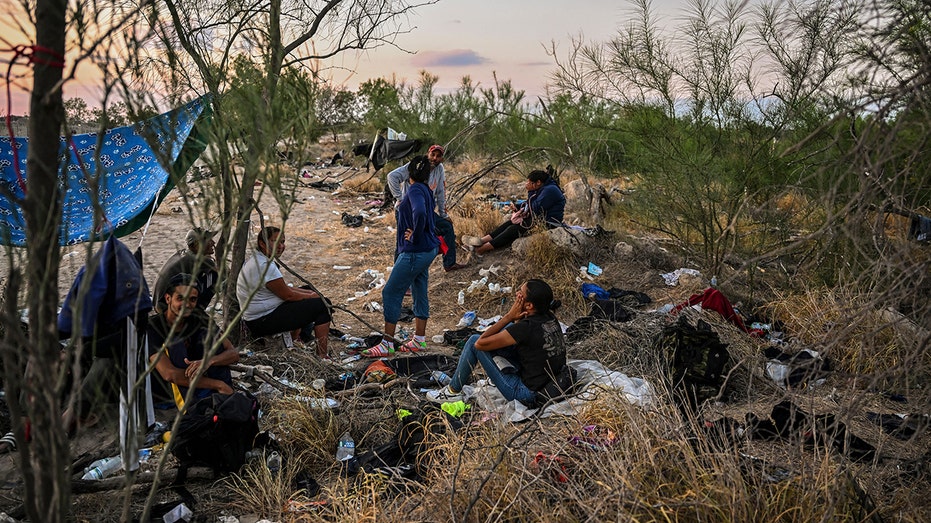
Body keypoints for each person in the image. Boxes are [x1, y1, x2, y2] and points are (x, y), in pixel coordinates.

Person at [426, 279, 568, 407]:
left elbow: (479, 344)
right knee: (503, 331)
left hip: (526, 394)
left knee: (472, 341)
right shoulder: (549, 316)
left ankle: (452, 392)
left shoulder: (526, 328)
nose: (517, 293)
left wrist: (508, 317)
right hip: (548, 383)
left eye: (521, 293)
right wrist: (514, 320)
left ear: (529, 305)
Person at [363, 155, 439, 357]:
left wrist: (414, 233)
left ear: (409, 172)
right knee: (419, 289)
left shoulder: (413, 189)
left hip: (415, 251)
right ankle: (419, 340)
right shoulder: (425, 189)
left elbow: (421, 212)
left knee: (390, 292)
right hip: (428, 249)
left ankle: (387, 343)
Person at [236, 226, 332, 359]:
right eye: (275, 242)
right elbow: (288, 295)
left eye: (282, 242)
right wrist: (313, 297)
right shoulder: (265, 266)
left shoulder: (258, 259)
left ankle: (295, 340)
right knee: (323, 305)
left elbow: (284, 288)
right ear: (262, 243)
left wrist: (311, 294)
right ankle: (322, 355)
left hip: (259, 315)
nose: (281, 246)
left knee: (308, 290)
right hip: (261, 321)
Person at [148, 273, 240, 409]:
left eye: (192, 299)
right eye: (180, 298)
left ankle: (224, 396)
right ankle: (213, 394)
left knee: (209, 337)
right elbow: (169, 374)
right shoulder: (153, 327)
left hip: (196, 383)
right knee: (175, 342)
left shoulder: (199, 318)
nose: (187, 304)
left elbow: (233, 353)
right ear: (168, 298)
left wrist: (209, 361)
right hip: (166, 394)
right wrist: (217, 384)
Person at [386, 144, 468, 272]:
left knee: (446, 227)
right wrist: (400, 199)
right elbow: (392, 177)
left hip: (425, 210)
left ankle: (449, 263)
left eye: (438, 156)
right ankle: (400, 277)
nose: (434, 158)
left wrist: (443, 214)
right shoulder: (417, 167)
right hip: (409, 210)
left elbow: (441, 191)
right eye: (432, 154)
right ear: (427, 154)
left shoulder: (439, 169)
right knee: (404, 243)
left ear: (442, 158)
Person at [462, 167, 566, 256]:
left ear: (538, 182)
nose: (527, 184)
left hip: (549, 222)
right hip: (540, 218)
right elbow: (531, 204)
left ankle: (481, 249)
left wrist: (530, 191)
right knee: (509, 223)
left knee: (514, 229)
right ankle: (481, 241)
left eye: (529, 182)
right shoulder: (544, 188)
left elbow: (535, 208)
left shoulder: (549, 190)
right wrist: (517, 206)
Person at [152, 227, 219, 313]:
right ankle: (197, 312)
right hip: (166, 307)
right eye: (209, 240)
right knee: (214, 275)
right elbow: (223, 272)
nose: (213, 243)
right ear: (197, 244)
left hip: (158, 303)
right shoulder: (199, 260)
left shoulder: (182, 253)